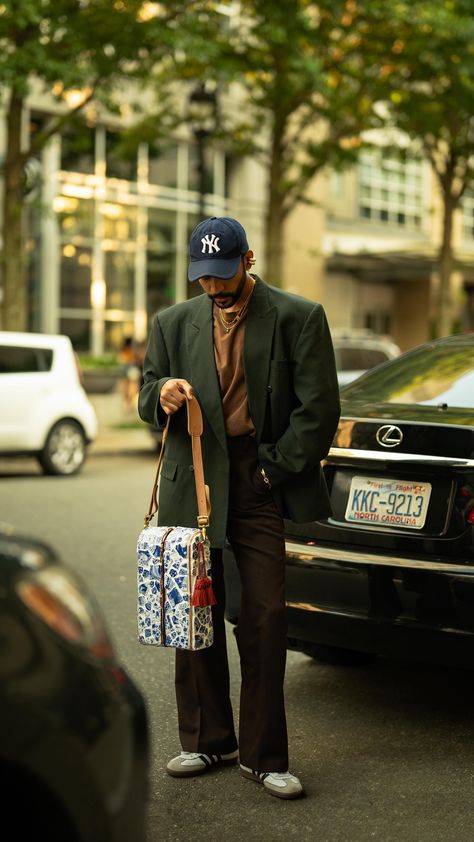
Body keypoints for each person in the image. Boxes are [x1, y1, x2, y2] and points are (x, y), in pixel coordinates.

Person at [138, 216, 340, 800]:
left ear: (247, 260)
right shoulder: (171, 322)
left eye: (223, 276)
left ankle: (262, 755)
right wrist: (163, 395)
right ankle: (206, 740)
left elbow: (318, 408)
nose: (213, 288)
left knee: (265, 616)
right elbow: (147, 392)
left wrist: (273, 469)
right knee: (194, 615)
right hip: (193, 479)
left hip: (259, 478)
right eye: (203, 279)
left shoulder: (299, 316)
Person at [118, 336, 141, 410]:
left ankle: (127, 402)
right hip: (131, 371)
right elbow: (136, 360)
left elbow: (120, 359)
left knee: (126, 387)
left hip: (124, 372)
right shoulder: (132, 350)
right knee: (132, 387)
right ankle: (129, 402)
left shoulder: (122, 350)